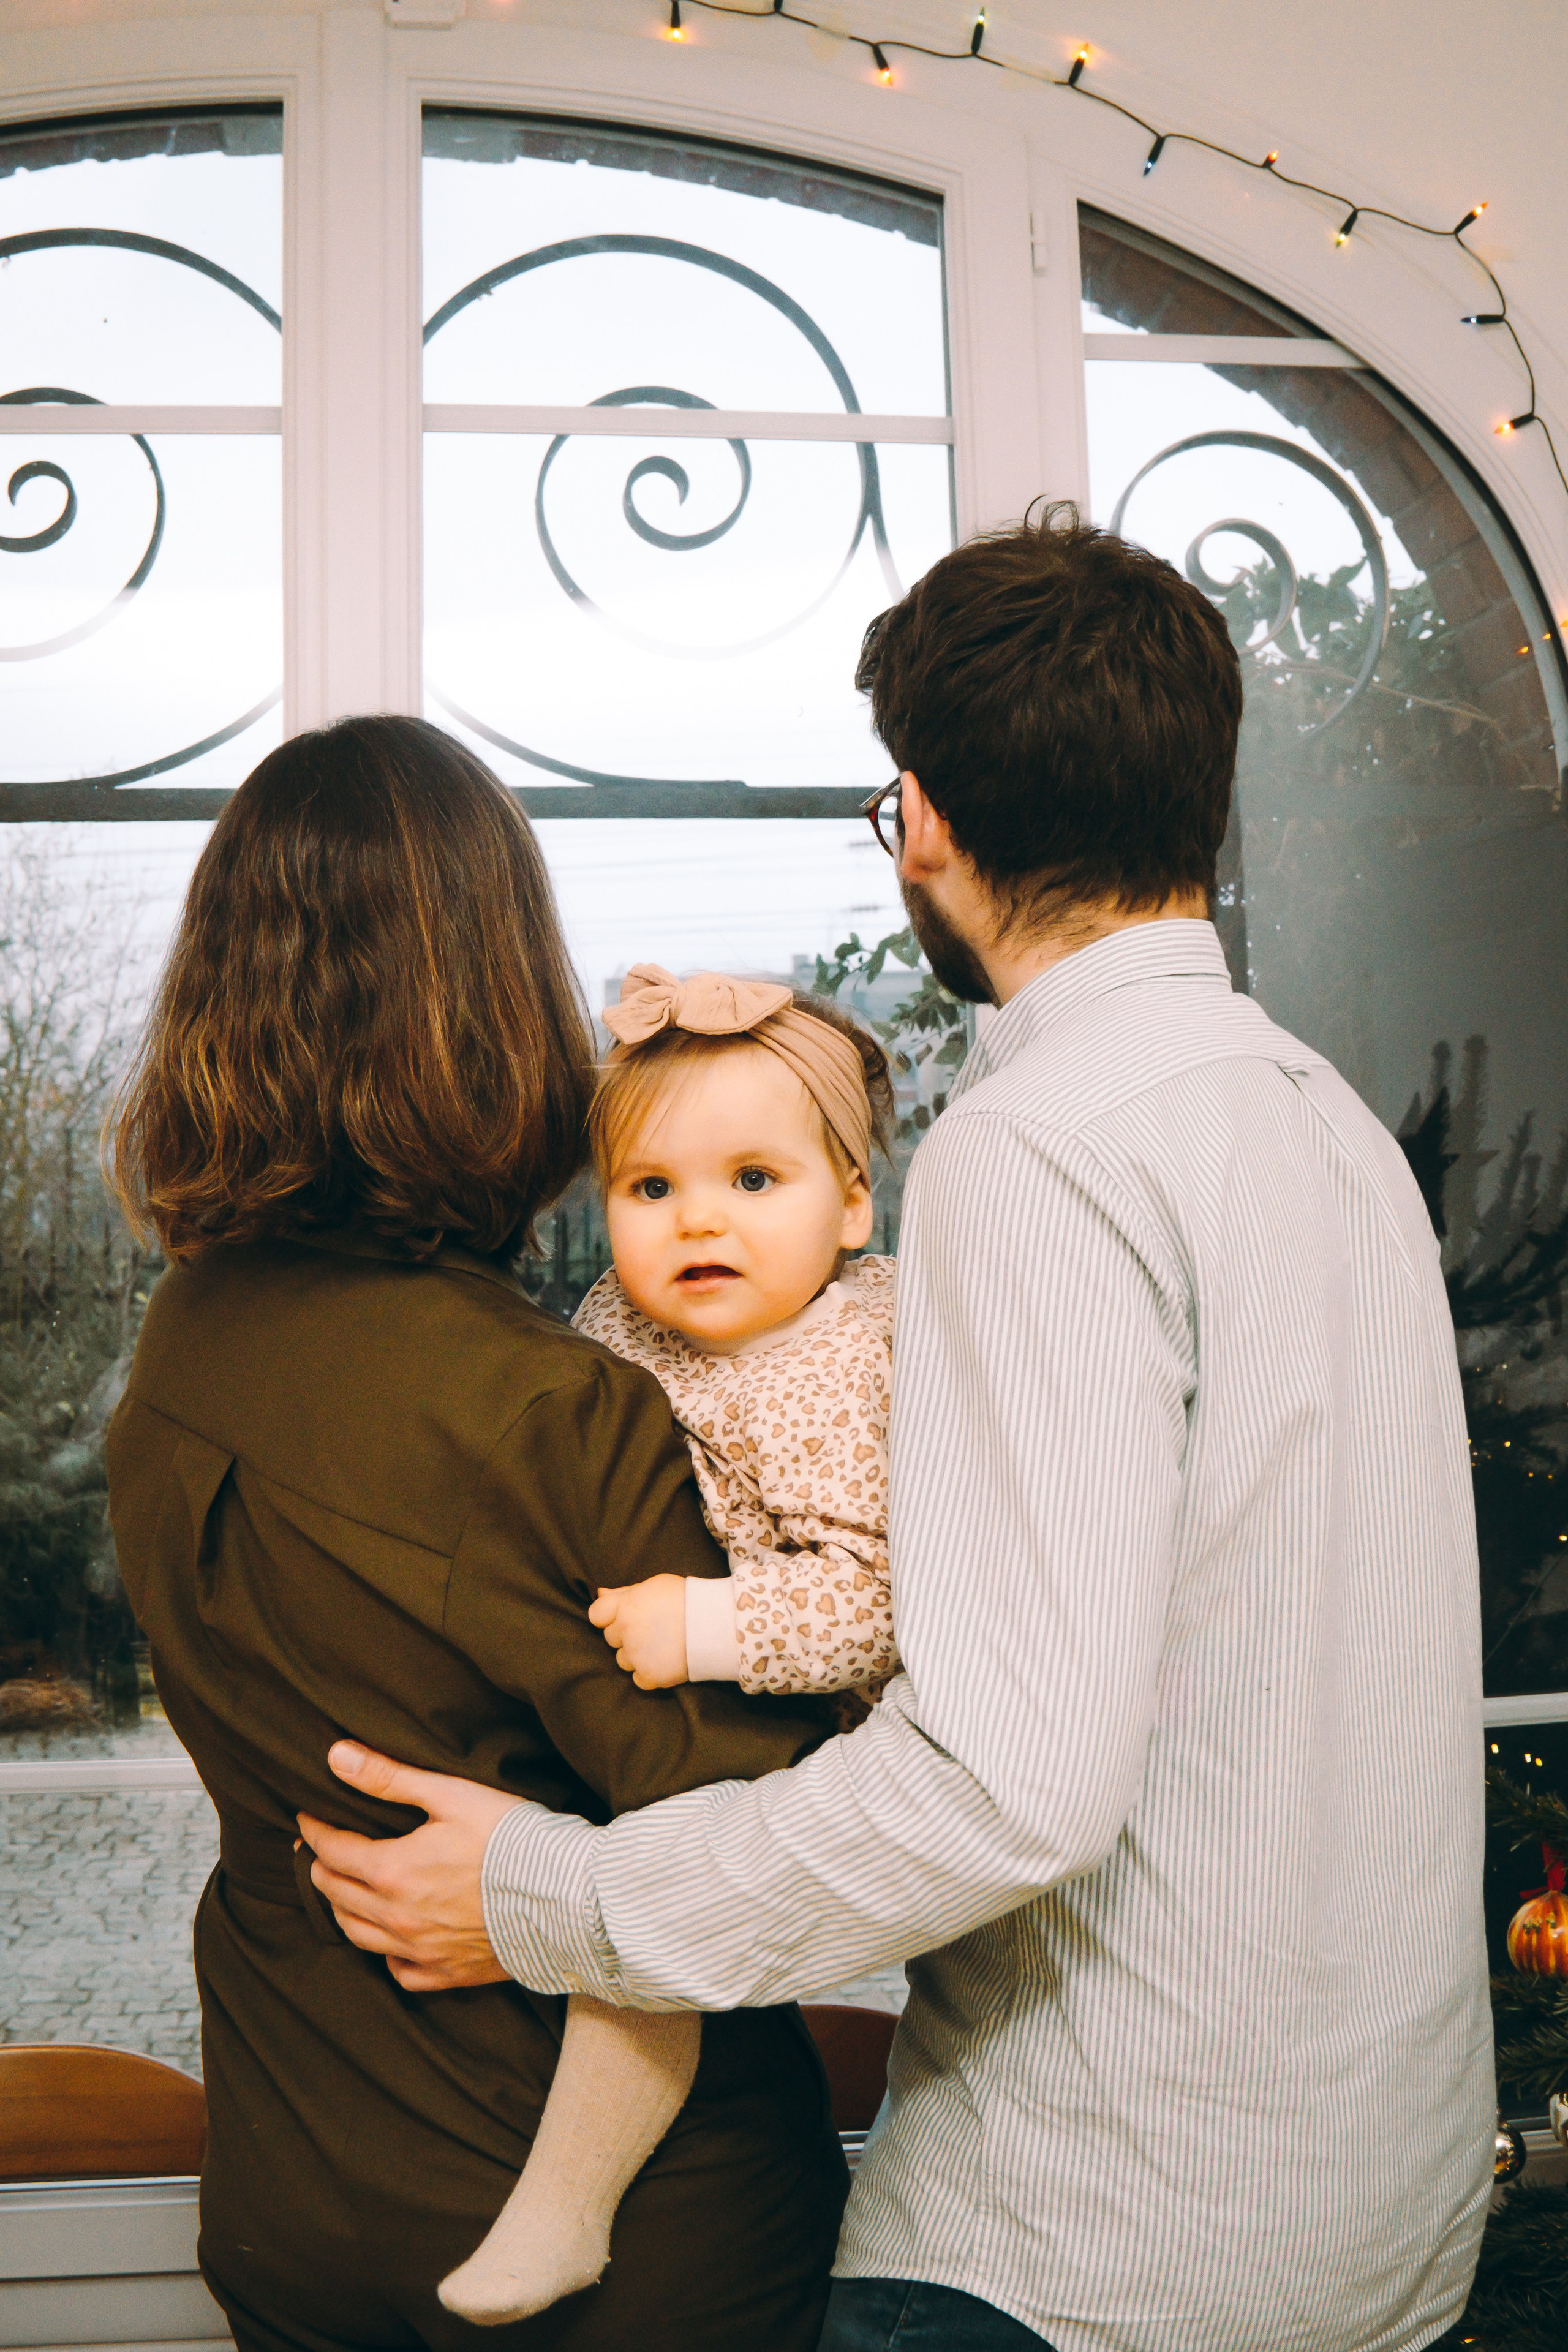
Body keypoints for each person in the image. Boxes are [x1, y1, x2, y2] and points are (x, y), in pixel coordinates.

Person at [304, 511, 1493, 2352]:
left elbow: (1009, 1782)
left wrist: (550, 1894)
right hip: (1385, 2226)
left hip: (1086, 2248)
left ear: (923, 821)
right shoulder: (1329, 1122)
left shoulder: (1046, 1152)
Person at [103, 715, 848, 2352]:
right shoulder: (546, 1412)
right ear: (492, 1003)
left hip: (300, 2199)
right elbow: (753, 1860)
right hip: (616, 2267)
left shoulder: (182, 1340)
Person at [443, 966, 898, 2325]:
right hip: (697, 1701)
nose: (698, 1218)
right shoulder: (622, 1321)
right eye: (650, 1190)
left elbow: (875, 1598)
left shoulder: (835, 1358)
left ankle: (567, 2208)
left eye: (754, 1180)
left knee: (652, 1905)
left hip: (834, 1730)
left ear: (851, 1206)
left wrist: (700, 1623)